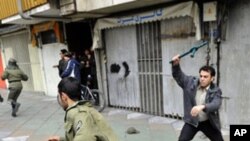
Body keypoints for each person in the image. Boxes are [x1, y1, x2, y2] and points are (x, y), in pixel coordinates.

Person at [171, 55, 224, 141]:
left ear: (212, 78)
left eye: (205, 77)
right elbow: (179, 76)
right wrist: (175, 65)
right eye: (201, 76)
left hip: (208, 122)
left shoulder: (216, 90)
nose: (202, 79)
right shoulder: (190, 83)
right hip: (192, 122)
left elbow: (216, 104)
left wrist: (202, 106)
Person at [48, 77, 118, 141]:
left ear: (63, 96)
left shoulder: (80, 113)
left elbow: (85, 137)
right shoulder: (82, 109)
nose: (59, 99)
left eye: (59, 95)